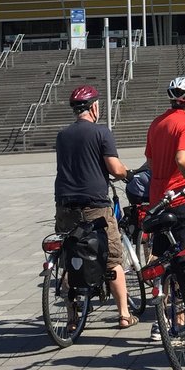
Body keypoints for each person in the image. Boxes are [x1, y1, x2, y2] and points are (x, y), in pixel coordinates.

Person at [54, 85, 136, 328]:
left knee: (70, 256)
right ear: (94, 107)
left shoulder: (62, 136)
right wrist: (127, 174)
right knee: (112, 258)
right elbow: (115, 169)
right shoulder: (101, 133)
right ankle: (123, 314)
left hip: (65, 205)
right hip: (95, 207)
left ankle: (71, 319)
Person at [143, 75, 185, 257]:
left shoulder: (156, 123)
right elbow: (182, 159)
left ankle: (163, 287)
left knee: (164, 259)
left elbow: (151, 163)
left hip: (157, 201)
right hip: (179, 198)